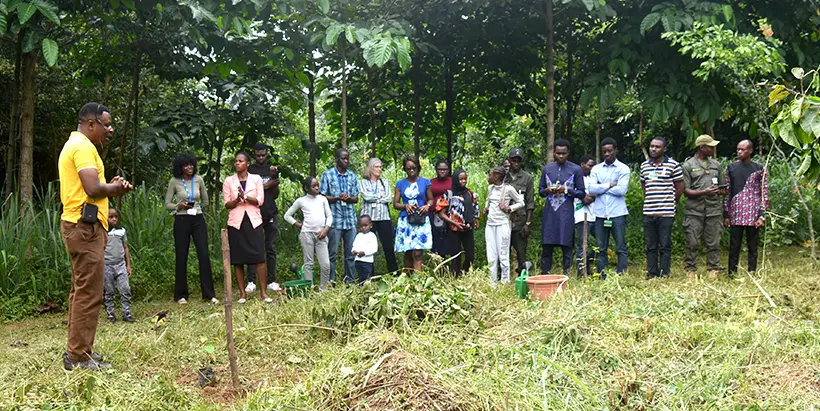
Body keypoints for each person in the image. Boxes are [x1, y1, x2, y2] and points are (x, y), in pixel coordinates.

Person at [59, 102, 133, 370]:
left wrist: (110, 186)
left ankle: (77, 351)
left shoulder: (77, 145)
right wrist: (114, 189)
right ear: (91, 124)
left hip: (82, 226)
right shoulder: (83, 147)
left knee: (81, 291)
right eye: (107, 124)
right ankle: (78, 356)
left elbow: (91, 186)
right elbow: (92, 188)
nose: (110, 130)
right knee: (89, 293)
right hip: (84, 228)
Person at [164, 154, 217, 305]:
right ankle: (181, 295)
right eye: (186, 165)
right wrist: (177, 207)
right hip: (181, 219)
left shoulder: (199, 180)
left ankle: (208, 294)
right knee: (182, 255)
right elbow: (167, 204)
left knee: (204, 254)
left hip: (198, 219)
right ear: (180, 167)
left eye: (191, 164)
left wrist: (198, 208)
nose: (189, 167)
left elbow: (205, 201)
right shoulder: (174, 182)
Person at [223, 152, 271, 304]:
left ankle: (263, 293)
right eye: (235, 161)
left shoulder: (256, 179)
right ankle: (243, 294)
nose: (237, 163)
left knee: (259, 257)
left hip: (253, 221)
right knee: (238, 259)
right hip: (236, 223)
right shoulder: (228, 181)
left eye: (240, 161)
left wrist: (246, 197)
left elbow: (260, 201)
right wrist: (237, 199)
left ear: (248, 164)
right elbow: (227, 204)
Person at [538, 139, 586, 275]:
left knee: (567, 244)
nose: (561, 156)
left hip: (566, 213)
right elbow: (540, 191)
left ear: (568, 153)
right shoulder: (547, 169)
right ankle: (545, 273)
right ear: (553, 153)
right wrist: (548, 190)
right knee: (547, 244)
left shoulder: (576, 169)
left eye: (564, 153)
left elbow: (581, 193)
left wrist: (566, 190)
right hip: (550, 213)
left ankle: (567, 274)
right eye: (558, 153)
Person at [683, 135, 727, 279]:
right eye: (711, 146)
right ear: (702, 147)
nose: (713, 149)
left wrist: (721, 191)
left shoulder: (716, 165)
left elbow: (723, 187)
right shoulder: (688, 165)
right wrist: (704, 192)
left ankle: (713, 268)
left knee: (713, 240)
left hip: (713, 209)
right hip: (694, 210)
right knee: (692, 241)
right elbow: (686, 191)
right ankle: (690, 268)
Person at [640, 137, 683, 279]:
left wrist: (670, 200)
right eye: (652, 146)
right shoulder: (644, 166)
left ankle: (665, 272)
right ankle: (652, 272)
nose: (653, 149)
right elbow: (644, 186)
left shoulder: (673, 165)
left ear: (664, 149)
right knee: (650, 244)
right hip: (649, 211)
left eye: (657, 147)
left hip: (666, 212)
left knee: (664, 243)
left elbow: (680, 188)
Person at [725, 139, 769, 278]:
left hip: (753, 212)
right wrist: (726, 214)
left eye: (743, 149)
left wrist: (762, 215)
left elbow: (764, 192)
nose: (740, 152)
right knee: (734, 245)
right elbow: (728, 192)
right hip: (736, 212)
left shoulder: (759, 168)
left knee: (753, 245)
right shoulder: (731, 168)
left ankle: (752, 272)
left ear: (750, 151)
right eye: (738, 149)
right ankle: (732, 273)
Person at [588, 137, 630, 278]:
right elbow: (591, 189)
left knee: (620, 246)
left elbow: (621, 190)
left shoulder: (623, 168)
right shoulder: (596, 169)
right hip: (600, 214)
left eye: (610, 151)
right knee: (601, 247)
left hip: (617, 213)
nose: (607, 154)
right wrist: (609, 185)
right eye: (604, 151)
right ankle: (602, 274)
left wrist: (601, 187)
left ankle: (621, 274)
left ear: (615, 151)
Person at [284, 177, 333, 290]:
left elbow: (329, 216)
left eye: (317, 185)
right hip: (306, 234)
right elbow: (287, 215)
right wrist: (298, 224)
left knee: (325, 264)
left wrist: (326, 229)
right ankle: (308, 289)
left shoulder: (322, 199)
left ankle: (324, 289)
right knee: (308, 264)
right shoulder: (301, 201)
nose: (317, 187)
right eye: (313, 186)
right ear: (306, 188)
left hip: (321, 234)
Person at [245, 143, 281, 294]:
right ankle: (251, 281)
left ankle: (271, 280)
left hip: (270, 212)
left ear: (267, 154)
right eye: (258, 155)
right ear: (254, 155)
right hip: (253, 212)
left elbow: (275, 194)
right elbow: (250, 192)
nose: (260, 158)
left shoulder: (272, 170)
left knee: (270, 248)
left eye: (263, 155)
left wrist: (273, 180)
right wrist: (266, 185)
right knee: (253, 247)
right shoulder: (250, 170)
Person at [320, 148, 360, 284]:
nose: (346, 161)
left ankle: (350, 281)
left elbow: (356, 198)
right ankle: (330, 281)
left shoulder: (352, 176)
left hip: (349, 220)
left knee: (351, 253)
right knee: (332, 253)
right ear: (337, 159)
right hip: (335, 219)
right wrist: (338, 198)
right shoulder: (327, 175)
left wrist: (348, 198)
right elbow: (322, 196)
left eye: (348, 158)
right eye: (343, 158)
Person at [484, 167, 524, 285]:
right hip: (490, 225)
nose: (488, 177)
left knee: (503, 254)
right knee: (491, 254)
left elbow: (521, 202)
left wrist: (509, 208)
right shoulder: (490, 188)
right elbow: (488, 200)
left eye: (490, 175)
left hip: (502, 224)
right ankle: (492, 283)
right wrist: (486, 208)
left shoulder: (508, 189)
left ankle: (505, 282)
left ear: (496, 177)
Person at [393, 155, 434, 272]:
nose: (411, 171)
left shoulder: (425, 182)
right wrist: (405, 206)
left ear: (418, 168)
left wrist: (427, 206)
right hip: (406, 220)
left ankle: (419, 281)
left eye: (414, 168)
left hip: (421, 218)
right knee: (408, 252)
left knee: (418, 252)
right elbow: (395, 204)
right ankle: (408, 279)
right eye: (408, 168)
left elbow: (431, 199)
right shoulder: (400, 184)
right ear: (405, 169)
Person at [435, 168, 479, 276]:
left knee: (470, 254)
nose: (463, 181)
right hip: (454, 229)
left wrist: (475, 219)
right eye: (460, 179)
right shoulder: (449, 194)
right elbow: (441, 212)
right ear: (455, 180)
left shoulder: (469, 193)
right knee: (456, 254)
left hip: (467, 228)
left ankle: (466, 272)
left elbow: (474, 208)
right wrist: (454, 223)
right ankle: (455, 275)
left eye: (465, 179)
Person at [359, 158, 399, 273]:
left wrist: (376, 197)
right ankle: (368, 275)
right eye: (377, 167)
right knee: (367, 246)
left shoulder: (384, 182)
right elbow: (366, 196)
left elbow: (388, 198)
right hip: (368, 218)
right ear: (370, 168)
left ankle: (394, 272)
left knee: (388, 247)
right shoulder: (363, 182)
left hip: (384, 218)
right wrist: (380, 197)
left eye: (381, 167)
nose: (379, 169)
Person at [504, 148, 535, 275]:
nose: (516, 163)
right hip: (504, 220)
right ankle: (503, 278)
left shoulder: (527, 178)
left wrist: (528, 224)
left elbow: (530, 202)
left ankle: (523, 278)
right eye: (513, 160)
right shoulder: (503, 177)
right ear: (509, 161)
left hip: (520, 221)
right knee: (503, 251)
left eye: (518, 161)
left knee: (521, 252)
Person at [103, 208, 134, 324]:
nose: (114, 219)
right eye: (111, 217)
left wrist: (128, 265)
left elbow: (125, 247)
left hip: (120, 264)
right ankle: (110, 314)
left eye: (116, 216)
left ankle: (127, 313)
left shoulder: (122, 231)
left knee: (125, 289)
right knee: (109, 291)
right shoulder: (103, 232)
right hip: (107, 265)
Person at [574, 155, 597, 277]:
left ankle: (587, 262)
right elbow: (585, 200)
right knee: (582, 244)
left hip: (595, 215)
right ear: (582, 165)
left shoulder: (594, 178)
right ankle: (581, 273)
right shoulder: (576, 179)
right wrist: (594, 195)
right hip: (582, 216)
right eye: (590, 165)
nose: (592, 168)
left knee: (601, 243)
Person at [430, 160, 453, 255]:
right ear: (436, 170)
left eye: (445, 169)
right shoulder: (431, 182)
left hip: (450, 215)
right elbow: (427, 198)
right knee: (437, 241)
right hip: (434, 214)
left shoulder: (452, 181)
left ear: (448, 170)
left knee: (449, 241)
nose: (442, 171)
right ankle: (439, 263)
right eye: (440, 169)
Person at [351, 215, 379, 284]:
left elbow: (374, 249)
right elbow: (354, 245)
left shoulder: (372, 236)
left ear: (371, 225)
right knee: (360, 276)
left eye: (365, 225)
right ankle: (361, 288)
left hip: (367, 262)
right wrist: (353, 251)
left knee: (367, 277)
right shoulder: (358, 235)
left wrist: (364, 253)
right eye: (361, 226)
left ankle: (368, 288)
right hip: (358, 261)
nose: (363, 228)